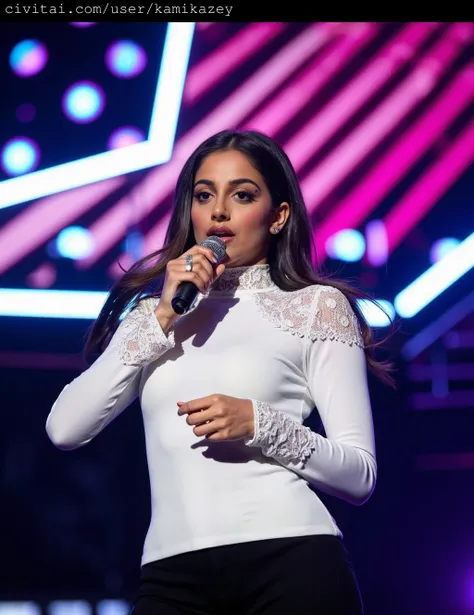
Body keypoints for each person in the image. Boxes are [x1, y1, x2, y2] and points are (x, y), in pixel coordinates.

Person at [46, 129, 394, 615]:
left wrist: (259, 423)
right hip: (172, 577)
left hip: (292, 563)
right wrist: (163, 316)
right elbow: (65, 428)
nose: (219, 212)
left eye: (243, 195)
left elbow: (360, 475)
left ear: (278, 215)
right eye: (204, 194)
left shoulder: (316, 306)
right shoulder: (157, 315)